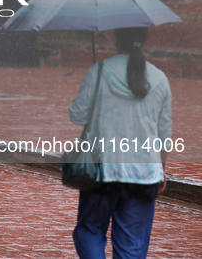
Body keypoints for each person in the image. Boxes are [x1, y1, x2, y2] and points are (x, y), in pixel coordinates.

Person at [69, 27, 172, 259]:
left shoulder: (99, 71)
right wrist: (161, 169)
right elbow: (164, 133)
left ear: (115, 37)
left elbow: (77, 115)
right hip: (145, 173)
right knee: (132, 245)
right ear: (143, 39)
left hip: (103, 171)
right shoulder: (160, 79)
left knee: (90, 231)